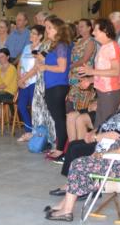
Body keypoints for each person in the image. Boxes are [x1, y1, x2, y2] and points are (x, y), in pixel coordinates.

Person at [45, 83, 120, 222]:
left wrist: (103, 154)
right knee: (82, 162)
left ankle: (66, 210)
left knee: (78, 164)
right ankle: (64, 206)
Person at [51, 74, 120, 195]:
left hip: (110, 147)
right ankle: (73, 184)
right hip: (104, 139)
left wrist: (96, 137)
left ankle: (77, 187)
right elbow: (109, 123)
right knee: (74, 145)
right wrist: (94, 131)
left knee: (76, 148)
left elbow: (118, 135)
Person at [79, 18, 120, 132]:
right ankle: (98, 149)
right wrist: (90, 80)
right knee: (100, 125)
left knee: (105, 127)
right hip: (103, 92)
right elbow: (103, 73)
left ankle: (104, 150)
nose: (93, 33)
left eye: (96, 30)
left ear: (105, 31)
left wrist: (92, 72)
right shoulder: (104, 47)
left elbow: (115, 71)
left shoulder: (113, 46)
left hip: (110, 93)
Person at [39, 16, 71, 156]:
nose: (47, 31)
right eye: (46, 28)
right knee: (57, 118)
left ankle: (60, 149)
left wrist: (44, 66)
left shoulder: (61, 46)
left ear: (58, 29)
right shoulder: (54, 45)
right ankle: (59, 146)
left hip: (58, 85)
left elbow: (62, 68)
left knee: (59, 119)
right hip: (52, 85)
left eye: (49, 28)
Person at [16, 25, 44, 142]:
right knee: (21, 106)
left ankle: (36, 133)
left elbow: (36, 68)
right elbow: (20, 64)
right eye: (31, 33)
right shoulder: (27, 47)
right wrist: (19, 78)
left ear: (40, 36)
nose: (31, 35)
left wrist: (24, 79)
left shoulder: (42, 48)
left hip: (34, 82)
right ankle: (28, 131)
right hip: (24, 82)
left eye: (33, 33)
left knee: (35, 108)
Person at [66, 19, 96, 114]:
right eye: (79, 26)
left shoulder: (91, 41)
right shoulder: (78, 40)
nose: (80, 28)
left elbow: (85, 59)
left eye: (82, 26)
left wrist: (71, 66)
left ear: (89, 28)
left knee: (80, 102)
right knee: (71, 100)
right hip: (73, 73)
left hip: (82, 73)